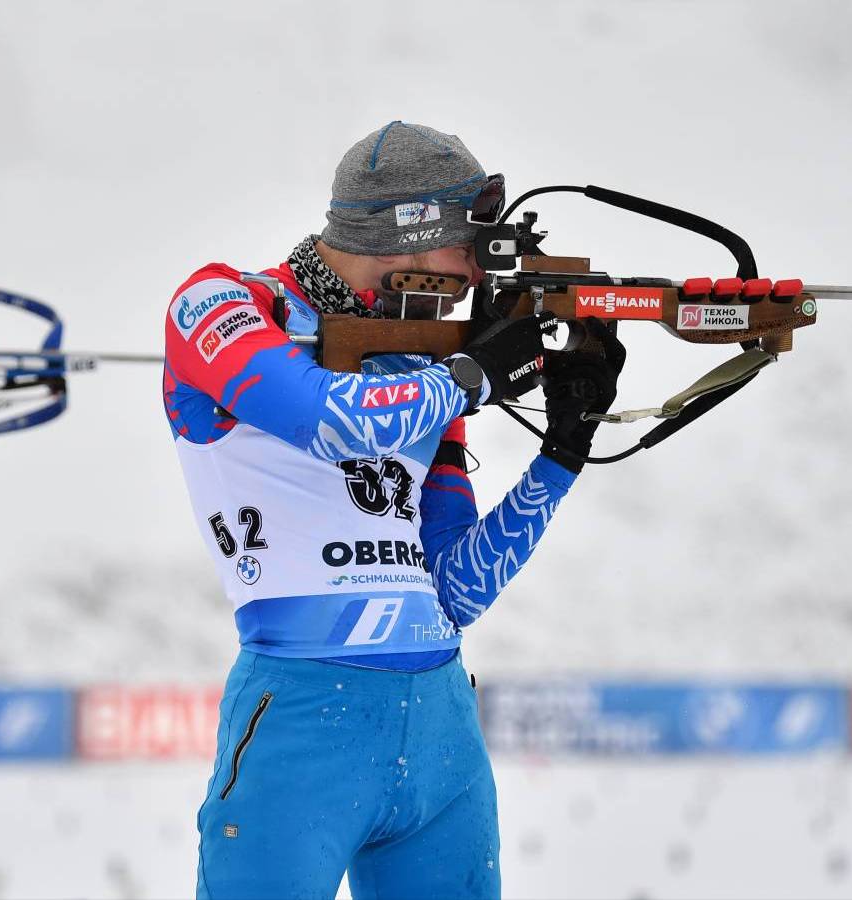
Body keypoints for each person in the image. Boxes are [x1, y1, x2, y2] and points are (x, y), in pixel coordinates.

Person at [162, 121, 627, 899]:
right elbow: (327, 417)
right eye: (470, 248)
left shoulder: (422, 366)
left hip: (441, 721)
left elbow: (454, 593)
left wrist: (565, 447)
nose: (478, 272)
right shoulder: (224, 302)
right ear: (412, 230)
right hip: (301, 712)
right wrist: (475, 373)